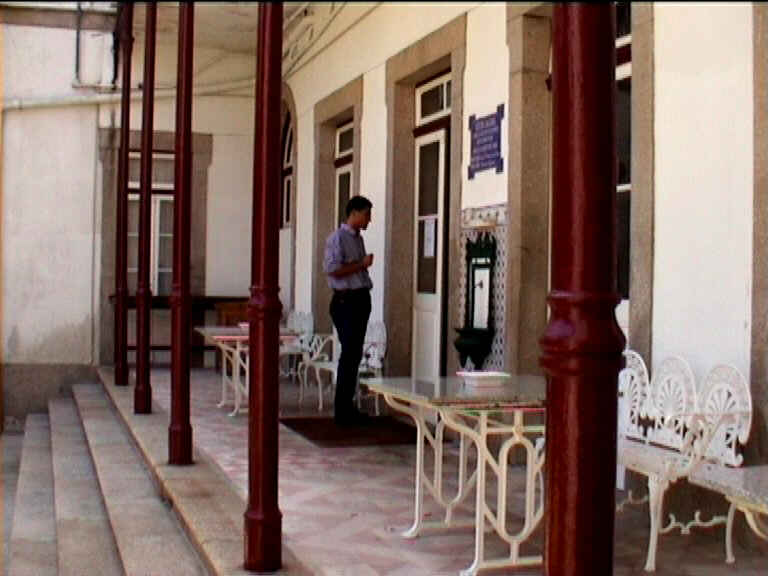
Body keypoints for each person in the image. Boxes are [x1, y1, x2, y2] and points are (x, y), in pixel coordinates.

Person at [323, 195, 374, 426]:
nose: (369, 219)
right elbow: (332, 269)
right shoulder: (337, 238)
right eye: (366, 214)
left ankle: (348, 406)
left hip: (360, 299)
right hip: (345, 301)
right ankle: (342, 409)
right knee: (349, 353)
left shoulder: (358, 239)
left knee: (354, 355)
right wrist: (361, 264)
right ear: (354, 213)